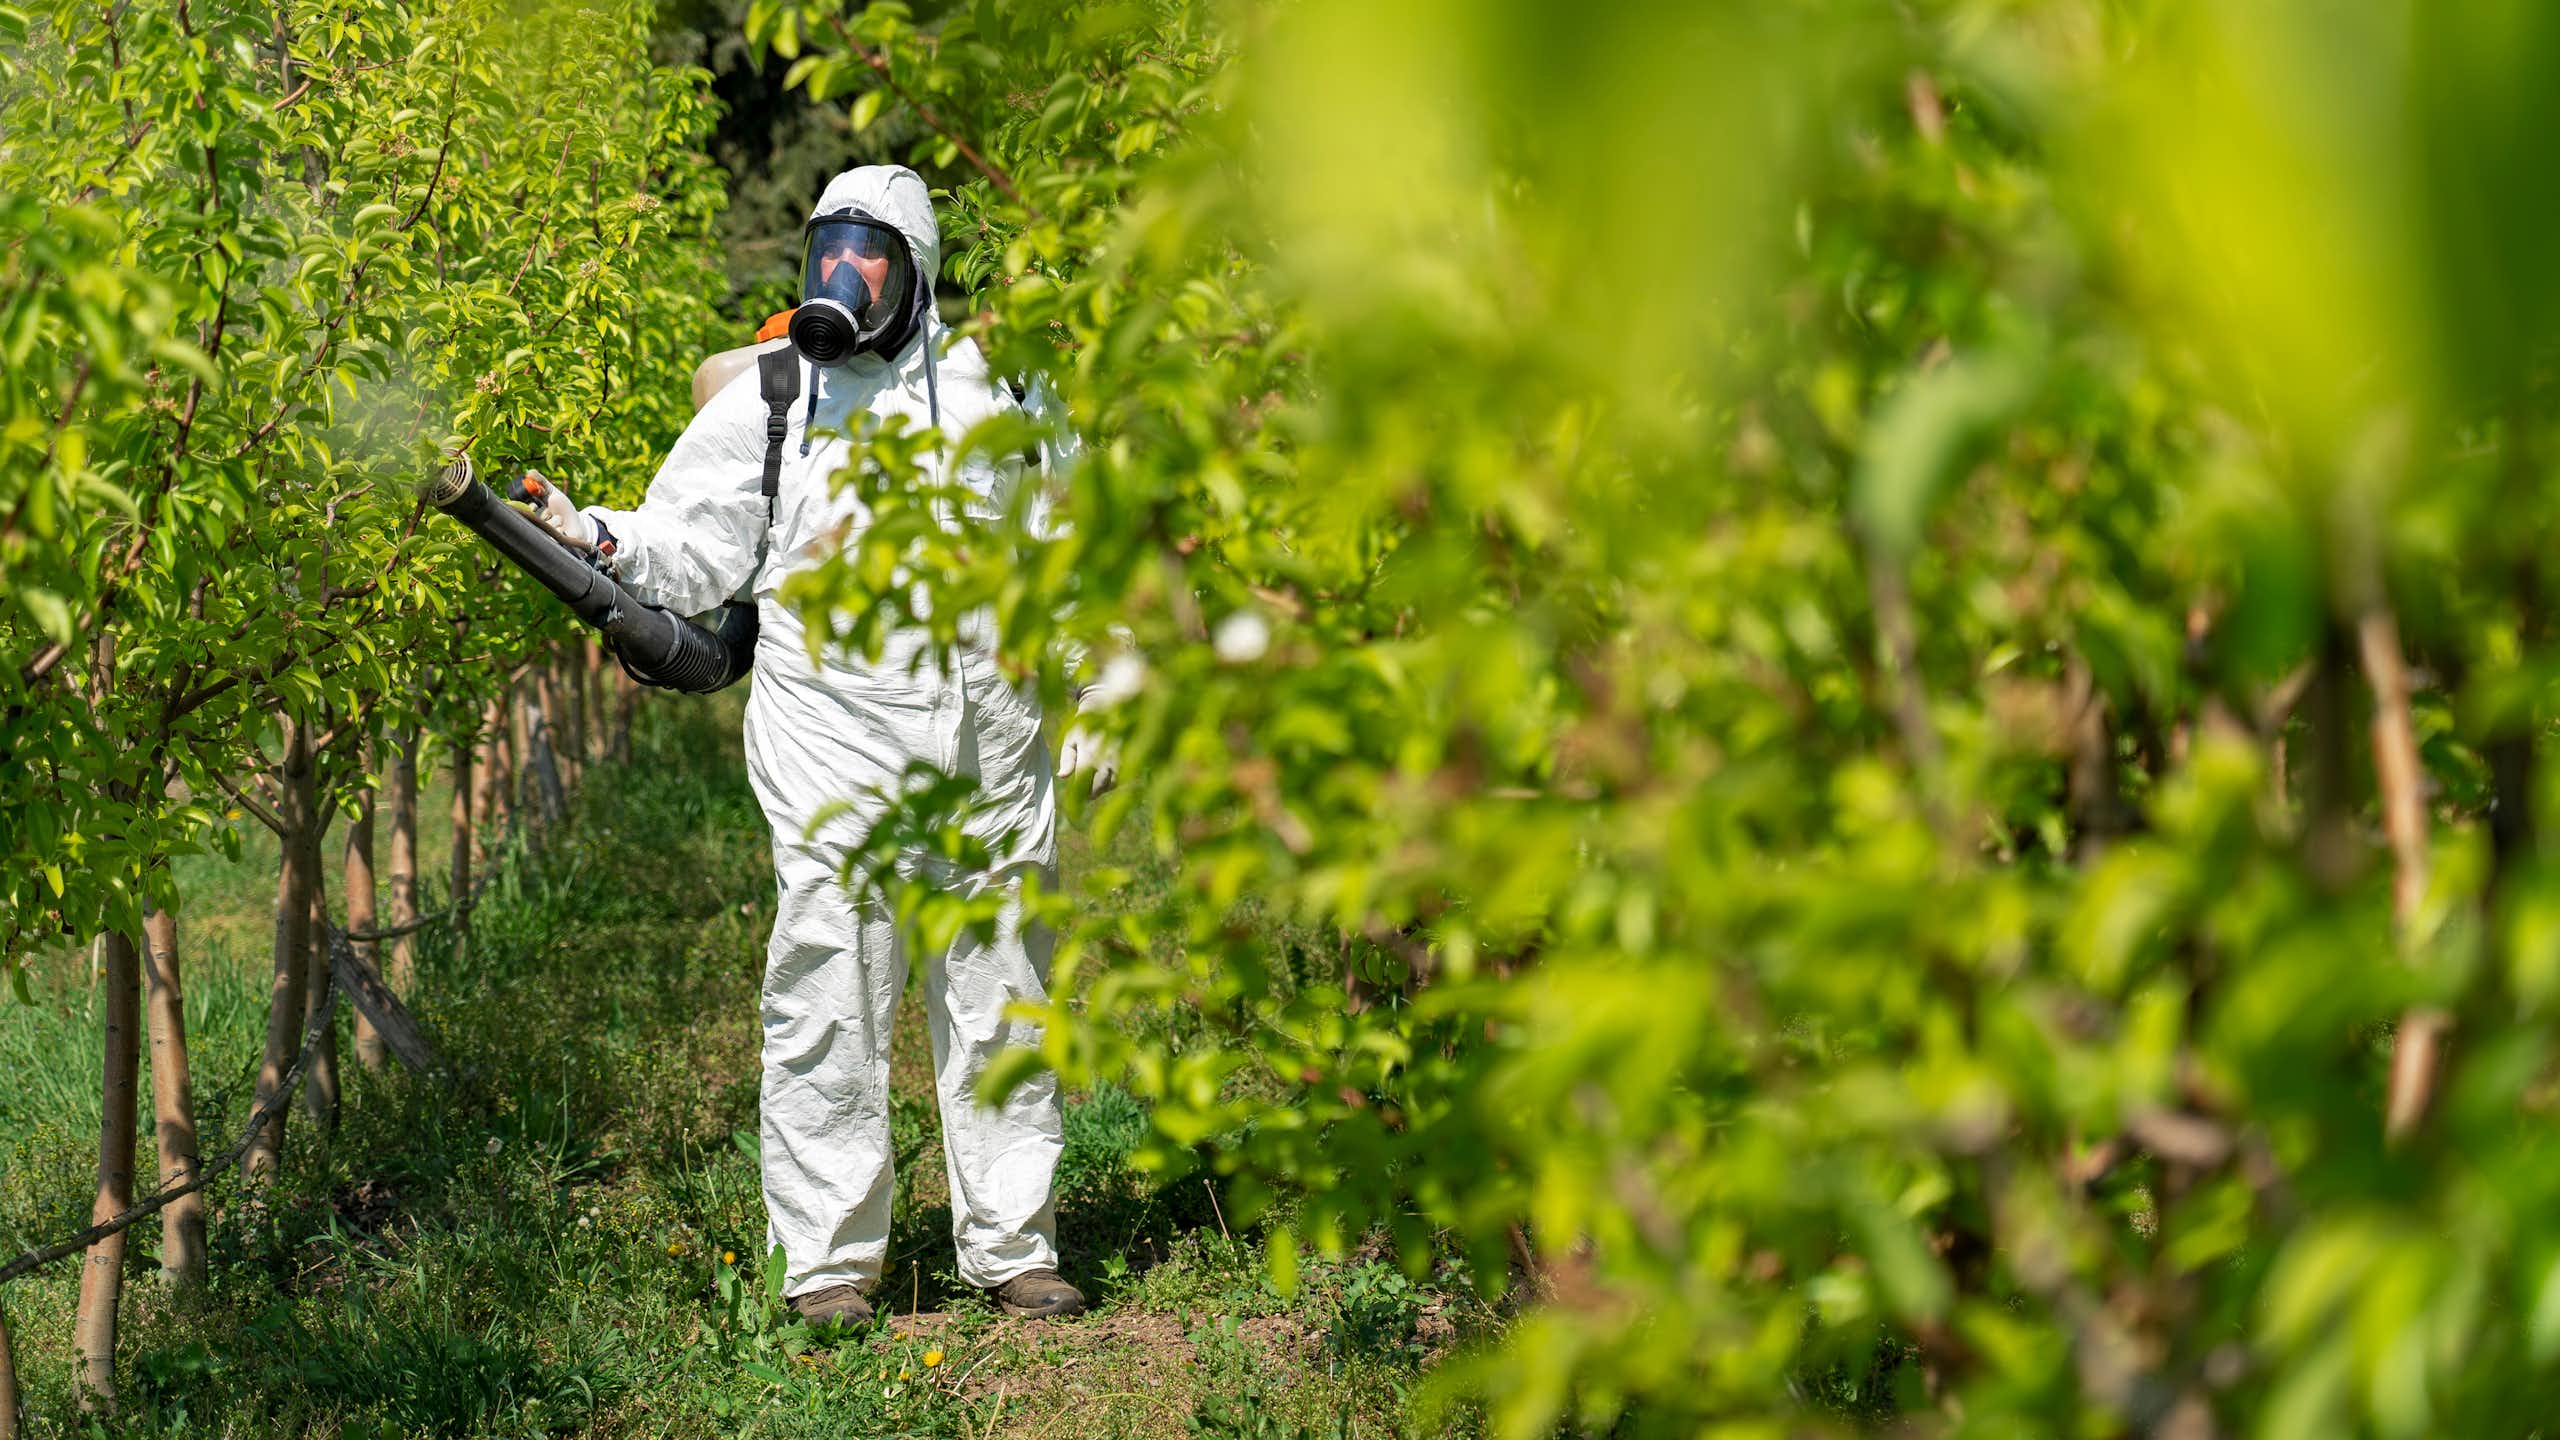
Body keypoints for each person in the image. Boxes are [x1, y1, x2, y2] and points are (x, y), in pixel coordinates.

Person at [515, 164, 1103, 1325]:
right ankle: (831, 1266)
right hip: (831, 756)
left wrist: (1102, 682)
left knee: (1000, 1003)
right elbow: (689, 549)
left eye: (871, 248)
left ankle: (1013, 1246)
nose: (846, 272)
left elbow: (1075, 553)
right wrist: (588, 534)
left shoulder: (1011, 391)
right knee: (827, 997)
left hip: (990, 755)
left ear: (918, 270)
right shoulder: (775, 396)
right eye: (831, 243)